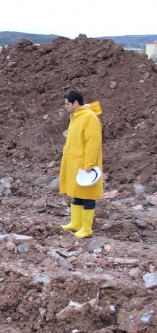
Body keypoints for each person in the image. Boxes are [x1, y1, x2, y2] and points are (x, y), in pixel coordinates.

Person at [59, 89, 103, 238]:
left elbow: (93, 142)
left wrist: (89, 164)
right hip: (75, 162)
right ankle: (76, 223)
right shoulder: (76, 116)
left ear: (76, 103)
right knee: (77, 193)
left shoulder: (89, 117)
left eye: (67, 104)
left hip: (84, 164)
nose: (65, 106)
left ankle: (86, 229)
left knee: (88, 196)